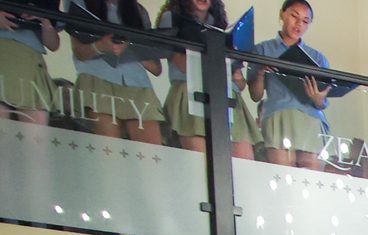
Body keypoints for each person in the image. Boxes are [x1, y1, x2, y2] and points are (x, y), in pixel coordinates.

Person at [157, 0, 258, 158]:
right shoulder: (172, 17)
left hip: (227, 96)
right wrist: (220, 63)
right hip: (191, 92)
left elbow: (241, 83)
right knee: (203, 162)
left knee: (244, 163)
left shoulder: (221, 25)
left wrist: (236, 76)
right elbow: (181, 63)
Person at [68, 0, 166, 145]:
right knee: (109, 152)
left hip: (138, 85)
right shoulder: (80, 3)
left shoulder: (138, 11)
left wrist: (133, 47)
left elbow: (156, 68)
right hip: (98, 79)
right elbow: (79, 52)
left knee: (151, 154)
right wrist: (101, 46)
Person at [248, 0, 329, 171]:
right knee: (282, 176)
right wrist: (262, 72)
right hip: (278, 114)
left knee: (311, 180)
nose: (299, 24)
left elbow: (322, 102)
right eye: (294, 16)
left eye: (305, 21)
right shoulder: (263, 49)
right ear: (282, 14)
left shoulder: (317, 57)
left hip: (310, 118)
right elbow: (255, 95)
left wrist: (318, 99)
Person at [0, 4, 60, 124]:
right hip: (3, 53)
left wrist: (44, 21)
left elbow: (53, 45)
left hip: (31, 61)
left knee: (36, 133)